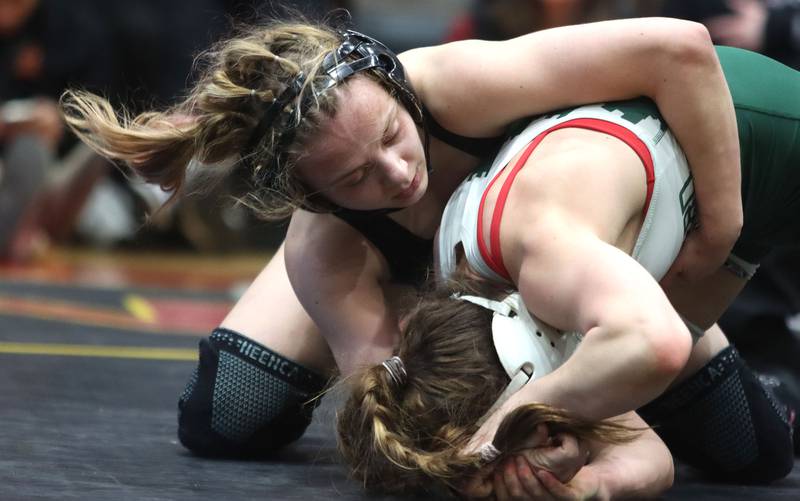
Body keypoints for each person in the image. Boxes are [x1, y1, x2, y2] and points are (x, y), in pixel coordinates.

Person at [61, 16, 743, 457]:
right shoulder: (326, 243)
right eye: (357, 175)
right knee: (227, 414)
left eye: (393, 135)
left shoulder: (457, 84)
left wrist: (722, 225)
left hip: (562, 264)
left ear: (394, 87)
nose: (398, 172)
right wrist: (528, 441)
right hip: (414, 283)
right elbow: (391, 412)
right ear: (316, 194)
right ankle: (304, 298)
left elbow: (676, 48)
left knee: (750, 446)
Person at [338, 45, 799, 497]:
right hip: (715, 196)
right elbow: (649, 456)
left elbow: (662, 344)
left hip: (751, 126)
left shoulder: (544, 262)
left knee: (730, 423)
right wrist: (587, 486)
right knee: (755, 451)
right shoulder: (495, 328)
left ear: (530, 378)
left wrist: (517, 415)